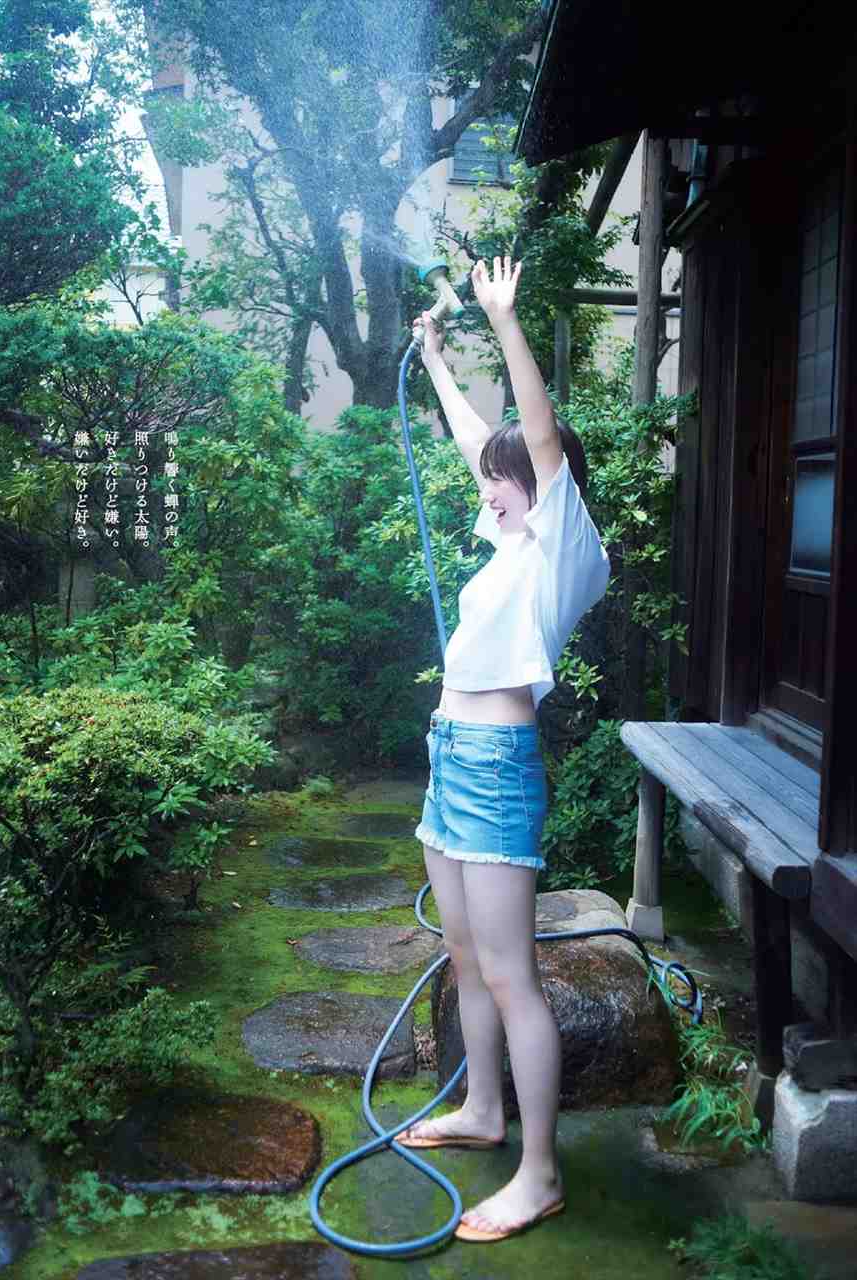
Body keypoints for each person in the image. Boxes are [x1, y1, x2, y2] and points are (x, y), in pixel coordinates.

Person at [397, 256, 611, 1243]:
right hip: (450, 756)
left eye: (501, 482)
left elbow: (534, 436)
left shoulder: (563, 554)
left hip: (492, 770)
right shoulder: (508, 541)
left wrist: (502, 321)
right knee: (463, 954)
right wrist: (439, 360)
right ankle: (482, 1108)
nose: (485, 490)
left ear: (541, 487)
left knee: (510, 972)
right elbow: (480, 443)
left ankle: (539, 1171)